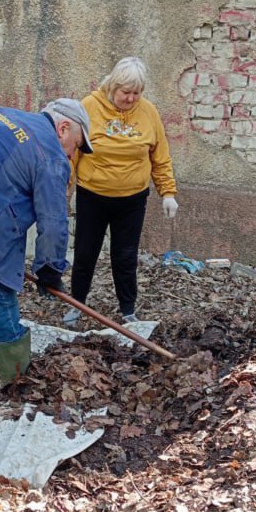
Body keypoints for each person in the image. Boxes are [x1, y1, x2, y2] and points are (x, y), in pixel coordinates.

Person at [0, 99, 92, 386]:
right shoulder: (51, 155)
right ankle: (17, 380)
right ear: (63, 128)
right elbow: (53, 220)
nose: (72, 156)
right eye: (75, 146)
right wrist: (49, 270)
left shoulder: (0, 113)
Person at [64, 57, 177, 326]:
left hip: (132, 199)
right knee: (84, 253)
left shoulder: (148, 112)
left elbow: (160, 155)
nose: (130, 99)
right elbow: (71, 154)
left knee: (125, 256)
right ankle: (77, 304)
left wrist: (168, 192)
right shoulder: (88, 107)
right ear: (113, 86)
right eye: (125, 92)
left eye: (136, 93)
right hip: (93, 195)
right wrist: (64, 195)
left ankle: (128, 310)